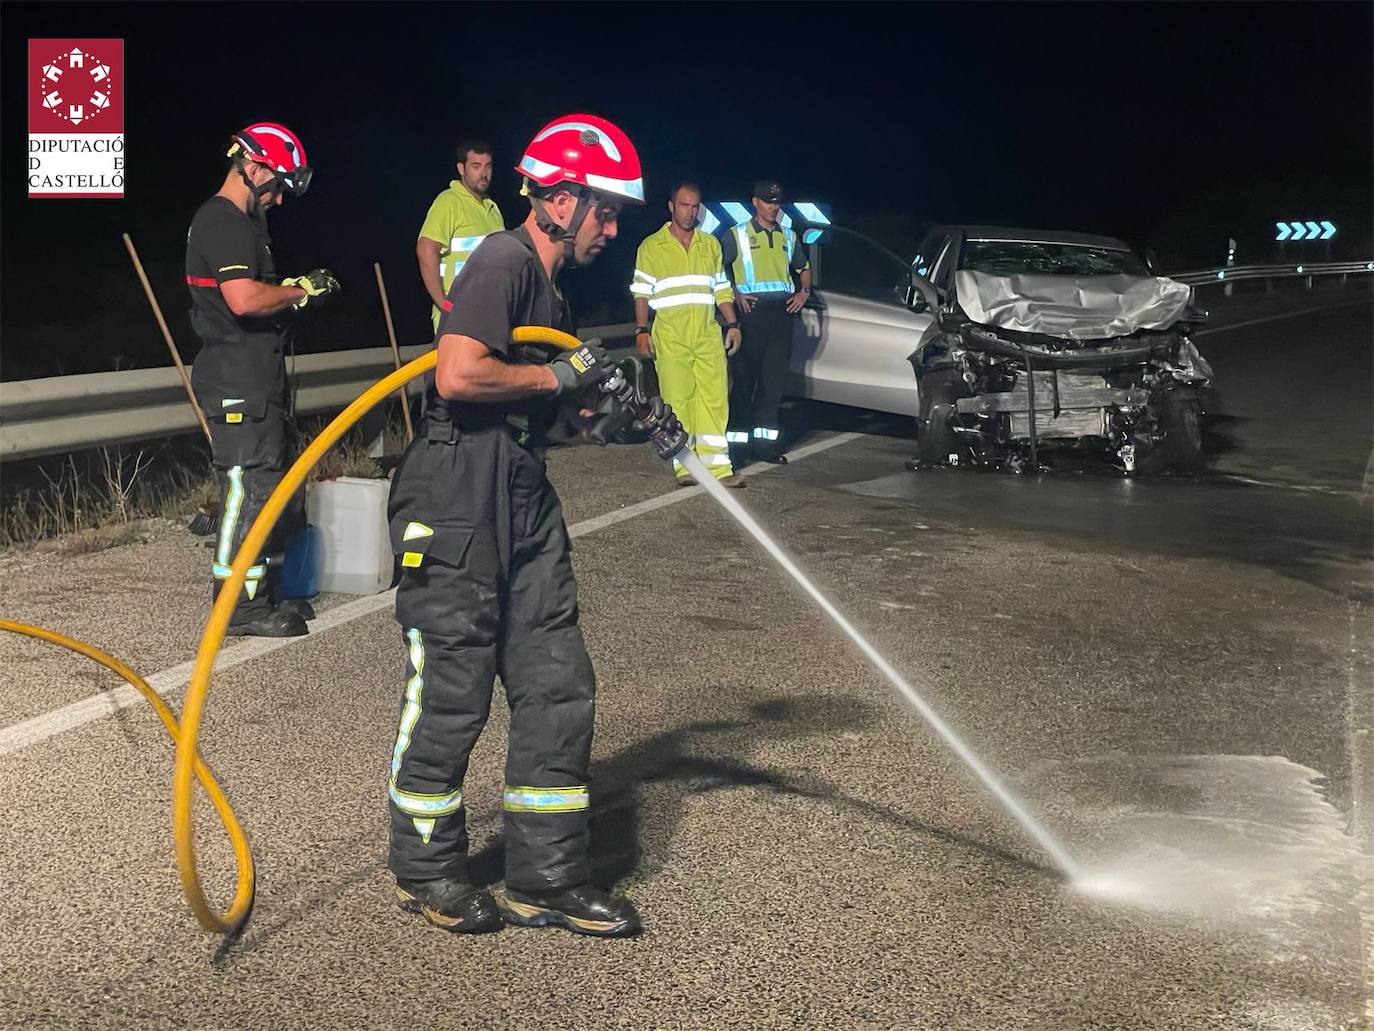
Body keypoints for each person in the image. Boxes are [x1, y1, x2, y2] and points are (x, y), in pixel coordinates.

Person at [386, 113, 655, 938]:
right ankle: (427, 869)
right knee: (455, 694)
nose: (612, 228)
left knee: (557, 682)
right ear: (561, 199)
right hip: (457, 495)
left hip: (521, 491)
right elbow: (462, 375)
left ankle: (546, 876)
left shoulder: (550, 287)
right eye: (605, 210)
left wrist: (608, 414)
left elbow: (541, 400)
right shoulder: (501, 260)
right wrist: (554, 373)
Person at [184, 122, 339, 638]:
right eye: (275, 185)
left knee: (269, 488)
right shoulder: (222, 221)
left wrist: (295, 299)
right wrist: (297, 291)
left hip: (257, 374)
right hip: (235, 376)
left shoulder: (245, 225)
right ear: (252, 167)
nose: (278, 198)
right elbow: (244, 299)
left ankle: (263, 593)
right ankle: (237, 607)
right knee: (246, 489)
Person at [630, 181, 745, 487]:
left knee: (714, 400)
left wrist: (733, 325)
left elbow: (721, 288)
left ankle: (719, 468)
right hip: (671, 336)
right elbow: (641, 293)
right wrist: (642, 330)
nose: (690, 212)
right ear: (671, 206)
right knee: (678, 400)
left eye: (695, 206)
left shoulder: (710, 244)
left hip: (708, 335)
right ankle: (687, 467)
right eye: (684, 205)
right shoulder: (652, 246)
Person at [719, 178, 812, 464]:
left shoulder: (789, 236)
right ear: (755, 202)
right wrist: (735, 294)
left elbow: (804, 267)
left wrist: (804, 292)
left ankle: (764, 447)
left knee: (773, 385)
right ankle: (736, 448)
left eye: (777, 202)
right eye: (768, 201)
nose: (773, 206)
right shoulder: (737, 235)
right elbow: (716, 270)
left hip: (782, 315)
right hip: (749, 316)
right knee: (744, 384)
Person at [416, 139, 505, 331]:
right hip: (458, 316)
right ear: (461, 169)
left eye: (488, 166)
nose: (484, 173)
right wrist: (444, 304)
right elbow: (425, 249)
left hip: (491, 314)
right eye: (476, 166)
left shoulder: (493, 207)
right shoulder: (449, 202)